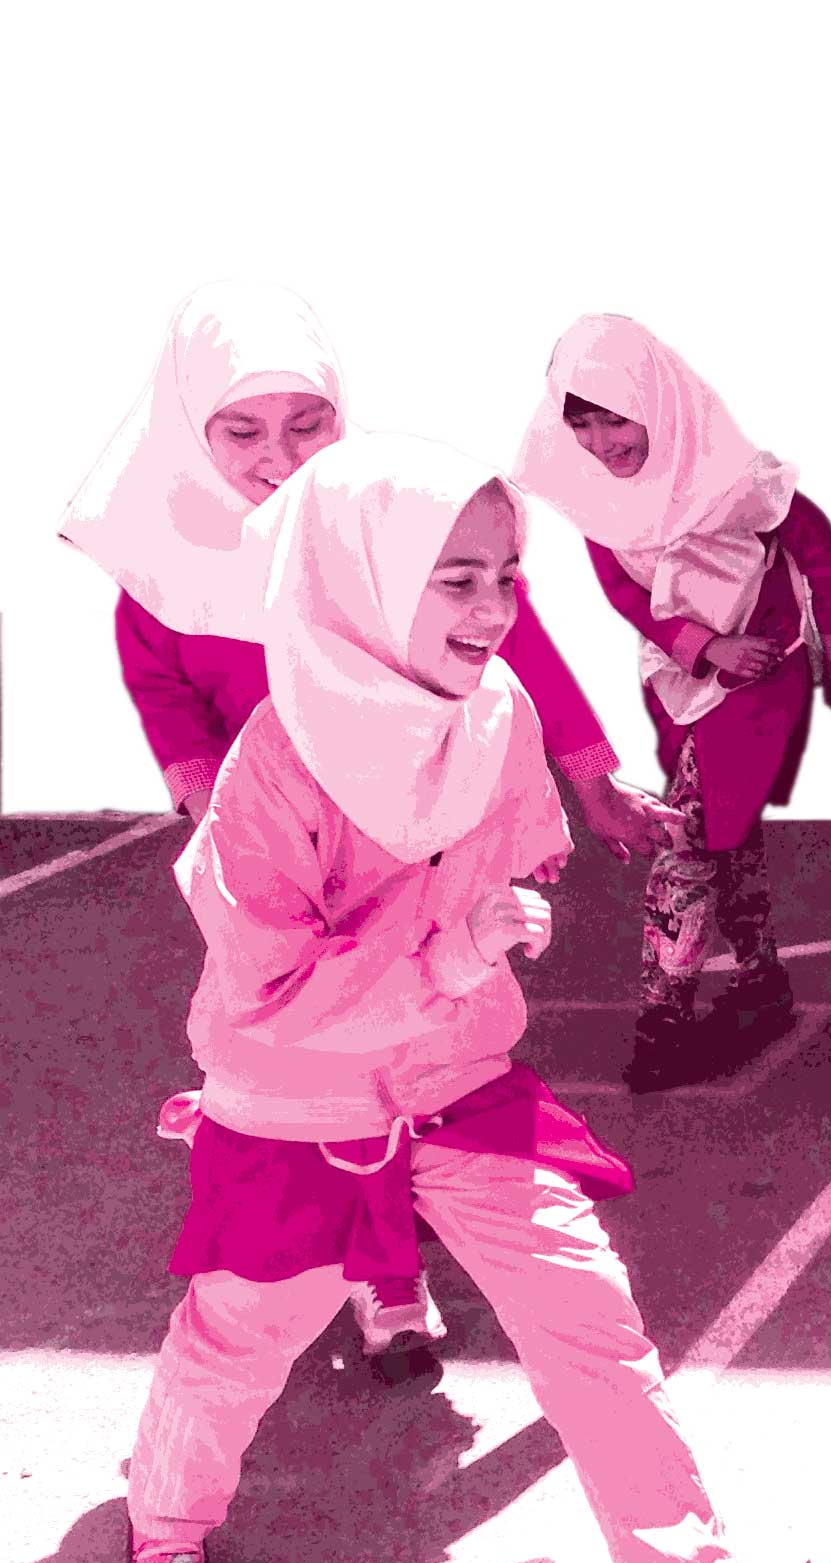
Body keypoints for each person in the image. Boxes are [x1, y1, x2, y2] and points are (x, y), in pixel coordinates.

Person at [121, 432, 831, 1563]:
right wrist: (453, 949)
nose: (496, 607)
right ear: (361, 580)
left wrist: (508, 908)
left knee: (583, 1306)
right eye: (456, 578)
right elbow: (271, 995)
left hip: (453, 1071)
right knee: (243, 1335)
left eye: (506, 575)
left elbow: (513, 853)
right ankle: (165, 1531)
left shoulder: (498, 713)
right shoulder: (271, 769)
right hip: (295, 1099)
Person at [61, 281, 678, 1371]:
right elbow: (170, 706)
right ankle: (313, 1277)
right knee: (310, 1065)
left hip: (418, 844)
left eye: (309, 424)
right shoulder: (159, 575)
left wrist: (589, 782)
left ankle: (391, 1277)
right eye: (242, 431)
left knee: (409, 1056)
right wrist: (221, 825)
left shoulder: (388, 526)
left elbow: (512, 648)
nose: (278, 455)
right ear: (187, 426)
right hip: (285, 864)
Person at [514, 315, 831, 1091]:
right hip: (680, 679)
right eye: (581, 423)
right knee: (725, 836)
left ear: (658, 400)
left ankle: (664, 1017)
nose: (600, 442)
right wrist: (702, 646)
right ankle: (760, 975)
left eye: (615, 418)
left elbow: (820, 553)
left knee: (687, 838)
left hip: (761, 677)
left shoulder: (737, 477)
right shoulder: (595, 494)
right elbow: (622, 589)